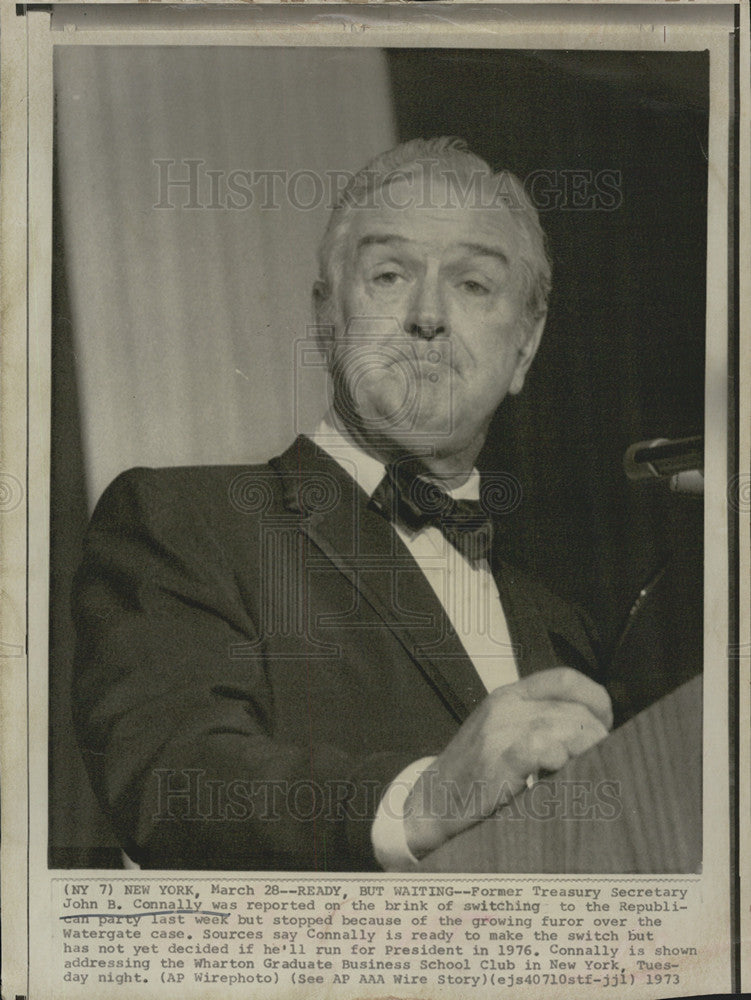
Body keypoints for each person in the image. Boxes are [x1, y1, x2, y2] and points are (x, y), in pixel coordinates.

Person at [72, 137, 612, 872]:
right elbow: (174, 781)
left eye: (474, 286)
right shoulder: (181, 521)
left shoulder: (563, 622)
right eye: (389, 275)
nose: (428, 315)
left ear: (523, 347)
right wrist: (425, 802)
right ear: (328, 316)